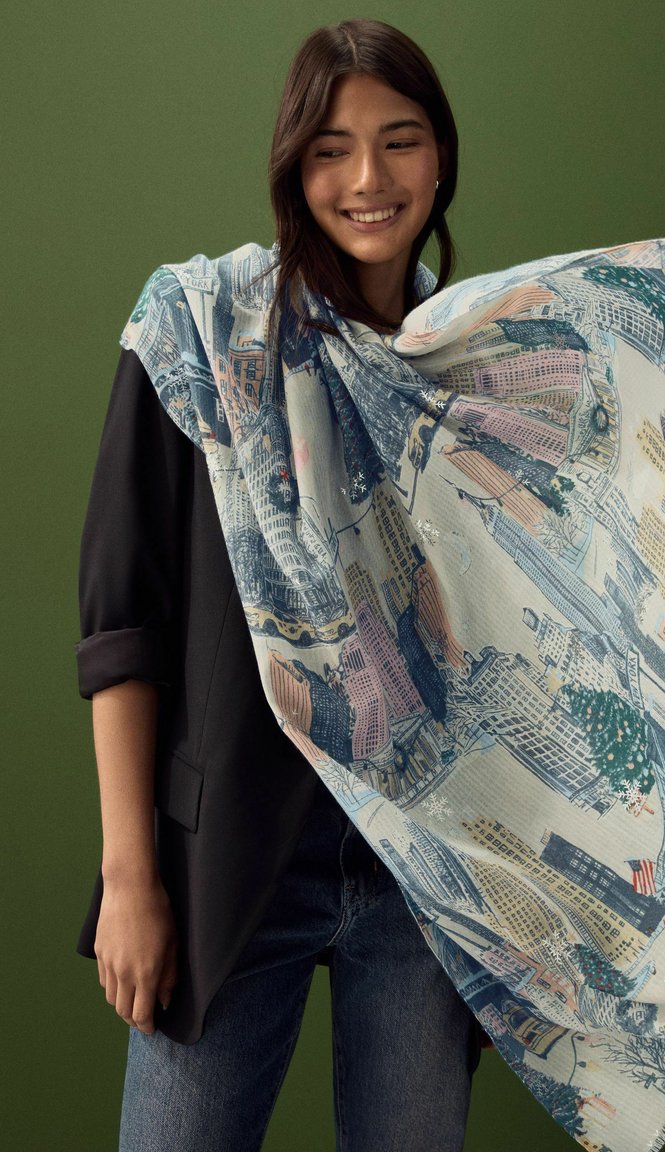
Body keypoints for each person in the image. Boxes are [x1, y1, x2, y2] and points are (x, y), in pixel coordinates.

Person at [76, 18, 487, 1152]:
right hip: (223, 862)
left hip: (417, 877)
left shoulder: (469, 362)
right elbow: (123, 625)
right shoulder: (198, 333)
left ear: (440, 159)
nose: (367, 180)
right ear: (292, 167)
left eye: (400, 141)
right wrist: (129, 878)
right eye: (330, 149)